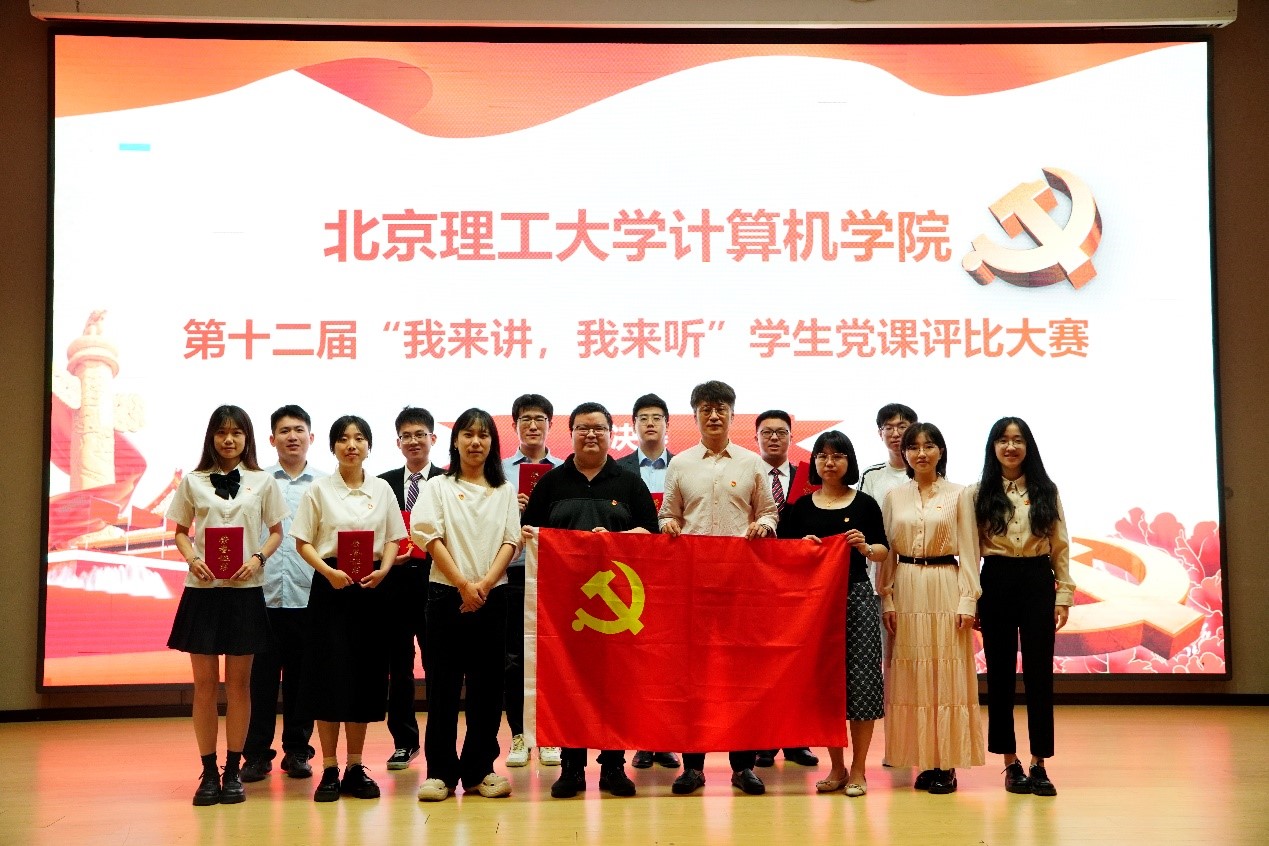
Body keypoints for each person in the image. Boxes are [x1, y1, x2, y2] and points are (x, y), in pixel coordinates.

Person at [521, 402, 661, 799]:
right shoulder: (551, 482)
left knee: (616, 687)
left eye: (599, 428)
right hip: (564, 608)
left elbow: (651, 537)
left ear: (611, 434)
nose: (591, 434)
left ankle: (614, 766)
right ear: (571, 434)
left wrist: (617, 539)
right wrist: (534, 536)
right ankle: (571, 767)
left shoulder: (629, 483)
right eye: (583, 428)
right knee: (568, 686)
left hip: (619, 608)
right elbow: (529, 531)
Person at [658, 380, 779, 796]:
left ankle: (743, 767)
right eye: (706, 409)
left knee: (740, 676)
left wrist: (764, 525)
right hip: (691, 586)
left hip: (740, 586)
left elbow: (768, 512)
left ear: (731, 414)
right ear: (694, 415)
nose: (713, 415)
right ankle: (692, 768)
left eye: (721, 409)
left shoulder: (751, 463)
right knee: (692, 679)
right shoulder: (680, 464)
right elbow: (667, 514)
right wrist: (667, 524)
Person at [166, 405, 287, 806]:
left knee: (239, 685)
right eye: (222, 432)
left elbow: (276, 531)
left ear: (247, 438)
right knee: (204, 686)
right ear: (212, 437)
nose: (229, 439)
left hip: (244, 590)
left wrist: (258, 558)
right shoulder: (193, 480)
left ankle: (233, 770)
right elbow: (180, 531)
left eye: (237, 432)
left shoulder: (263, 481)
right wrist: (192, 558)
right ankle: (208, 772)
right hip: (203, 590)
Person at [291, 415, 406, 802]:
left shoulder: (382, 489)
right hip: (331, 590)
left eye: (359, 438)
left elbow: (394, 537)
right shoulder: (319, 489)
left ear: (369, 446)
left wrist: (384, 570)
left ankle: (355, 766)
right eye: (343, 439)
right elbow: (302, 541)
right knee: (327, 677)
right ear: (333, 447)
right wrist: (328, 573)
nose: (351, 445)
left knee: (364, 677)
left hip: (371, 590)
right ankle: (328, 768)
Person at [413, 408, 522, 801]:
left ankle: (479, 770)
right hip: (446, 595)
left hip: (493, 597)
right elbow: (429, 537)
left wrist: (484, 585)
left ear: (493, 443)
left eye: (484, 435)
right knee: (442, 687)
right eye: (468, 434)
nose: (476, 442)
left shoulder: (504, 490)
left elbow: (511, 541)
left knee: (487, 689)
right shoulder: (437, 486)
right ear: (455, 440)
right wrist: (463, 584)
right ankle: (440, 773)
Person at [966, 417, 1074, 797]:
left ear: (1028, 447)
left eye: (1018, 440)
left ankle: (1039, 763)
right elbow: (971, 549)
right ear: (993, 447)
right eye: (1003, 440)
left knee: (1040, 675)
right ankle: (1010, 762)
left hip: (1037, 580)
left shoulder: (1046, 490)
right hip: (995, 580)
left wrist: (1063, 595)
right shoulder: (979, 493)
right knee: (999, 676)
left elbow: (1060, 545)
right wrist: (972, 597)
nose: (1010, 447)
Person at [777, 430, 888, 797]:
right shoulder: (800, 508)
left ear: (849, 461)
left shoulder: (865, 504)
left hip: (856, 597)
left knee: (862, 683)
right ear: (815, 462)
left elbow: (884, 550)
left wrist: (866, 547)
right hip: (814, 604)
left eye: (838, 455)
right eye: (822, 456)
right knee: (825, 684)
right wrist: (802, 547)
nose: (829, 462)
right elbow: (781, 555)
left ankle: (859, 769)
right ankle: (836, 767)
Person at [879, 422, 984, 794]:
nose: (921, 453)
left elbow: (970, 550)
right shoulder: (894, 497)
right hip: (907, 586)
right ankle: (924, 758)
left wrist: (968, 599)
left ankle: (946, 764)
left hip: (945, 584)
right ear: (904, 454)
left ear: (941, 451)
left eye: (929, 446)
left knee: (946, 675)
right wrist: (887, 597)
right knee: (911, 676)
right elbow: (888, 552)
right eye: (913, 447)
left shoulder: (960, 494)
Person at [241, 405, 324, 784]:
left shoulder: (324, 484)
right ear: (272, 439)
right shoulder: (255, 483)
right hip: (262, 595)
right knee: (258, 682)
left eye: (299, 430)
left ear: (311, 437)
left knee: (303, 681)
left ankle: (298, 751)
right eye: (285, 431)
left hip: (309, 596)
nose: (293, 436)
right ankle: (256, 755)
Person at [614, 392, 680, 772]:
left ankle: (665, 740)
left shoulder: (683, 466)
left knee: (668, 662)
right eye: (643, 418)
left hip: (673, 577)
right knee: (635, 663)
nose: (650, 423)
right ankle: (641, 741)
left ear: (667, 425)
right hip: (631, 578)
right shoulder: (618, 469)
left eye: (657, 417)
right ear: (634, 425)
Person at [378, 407, 445, 771]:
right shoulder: (383, 483)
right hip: (394, 587)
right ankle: (404, 742)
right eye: (407, 435)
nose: (414, 441)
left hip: (437, 584)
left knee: (438, 666)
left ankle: (439, 742)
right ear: (398, 442)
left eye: (421, 434)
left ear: (433, 438)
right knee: (399, 668)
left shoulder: (448, 482)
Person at [501, 393, 564, 768]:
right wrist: (514, 510)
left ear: (550, 425)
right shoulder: (499, 472)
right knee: (513, 659)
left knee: (554, 656)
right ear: (514, 425)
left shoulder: (564, 470)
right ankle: (520, 735)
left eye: (540, 418)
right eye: (525, 419)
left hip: (555, 576)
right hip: (513, 571)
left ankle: (551, 735)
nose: (533, 425)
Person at [753, 409, 820, 770]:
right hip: (756, 580)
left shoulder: (808, 478)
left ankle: (796, 740)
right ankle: (764, 740)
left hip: (798, 583)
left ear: (791, 437)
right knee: (762, 664)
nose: (774, 438)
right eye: (767, 432)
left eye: (781, 432)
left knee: (798, 662)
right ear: (756, 438)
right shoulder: (746, 474)